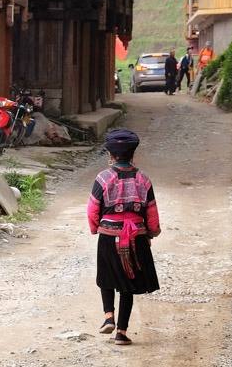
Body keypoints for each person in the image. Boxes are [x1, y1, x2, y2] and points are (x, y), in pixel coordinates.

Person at [87, 129, 161, 345]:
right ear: (132, 154)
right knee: (128, 285)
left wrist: (95, 228)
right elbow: (152, 213)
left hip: (109, 236)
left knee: (106, 277)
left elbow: (93, 209)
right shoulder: (143, 180)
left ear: (110, 154)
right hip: (135, 236)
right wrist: (151, 233)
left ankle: (108, 316)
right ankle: (122, 332)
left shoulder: (103, 178)